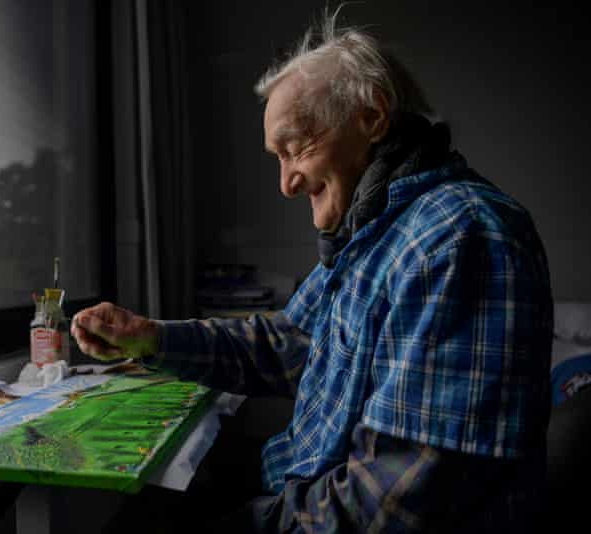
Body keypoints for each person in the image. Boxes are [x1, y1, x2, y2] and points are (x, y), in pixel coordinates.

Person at [72, 9, 552, 534]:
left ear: (372, 117)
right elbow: (289, 342)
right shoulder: (373, 234)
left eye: (294, 147)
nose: (286, 183)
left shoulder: (460, 235)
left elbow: (391, 504)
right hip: (299, 492)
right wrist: (151, 339)